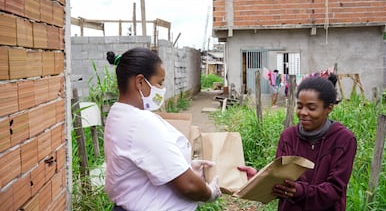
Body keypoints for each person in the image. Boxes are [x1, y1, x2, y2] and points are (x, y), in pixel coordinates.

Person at [104, 47, 222, 211]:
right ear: (139, 82)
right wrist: (209, 193)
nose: (161, 89)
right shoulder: (141, 123)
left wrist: (184, 166)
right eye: (159, 82)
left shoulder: (118, 115)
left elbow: (145, 165)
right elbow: (188, 185)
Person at [238, 76, 357, 211]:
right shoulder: (288, 137)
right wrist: (260, 178)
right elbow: (280, 178)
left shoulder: (344, 139)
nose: (303, 113)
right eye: (299, 106)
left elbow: (335, 189)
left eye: (311, 108)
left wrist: (300, 191)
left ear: (328, 108)